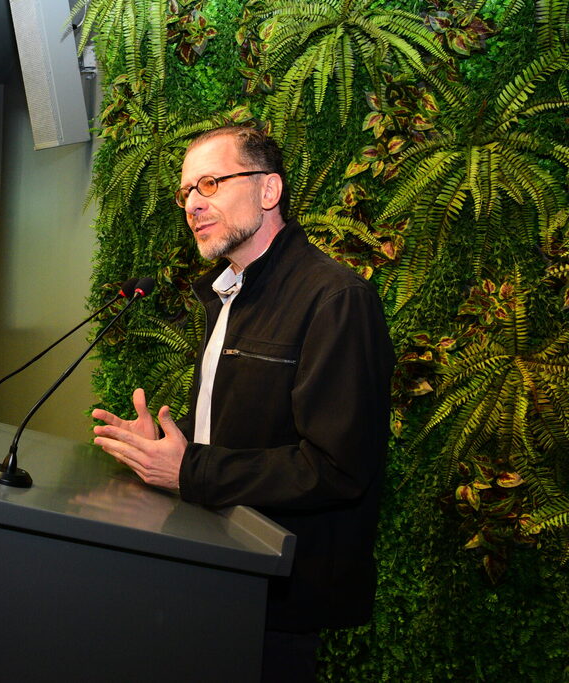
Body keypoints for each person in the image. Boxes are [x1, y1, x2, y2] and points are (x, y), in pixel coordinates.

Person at [91, 126, 394, 682]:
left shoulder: (335, 299)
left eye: (210, 182)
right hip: (213, 562)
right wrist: (166, 443)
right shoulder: (228, 291)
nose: (193, 203)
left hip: (276, 593)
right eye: (185, 192)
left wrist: (190, 469)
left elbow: (336, 467)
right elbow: (238, 422)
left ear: (268, 190)